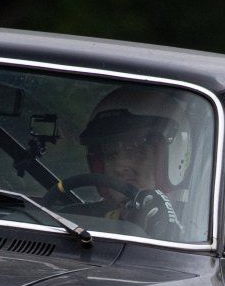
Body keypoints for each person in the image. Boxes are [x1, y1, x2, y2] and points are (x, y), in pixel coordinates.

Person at [78, 86, 187, 239]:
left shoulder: (196, 233)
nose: (119, 167)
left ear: (172, 156)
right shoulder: (79, 222)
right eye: (111, 155)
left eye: (137, 153)